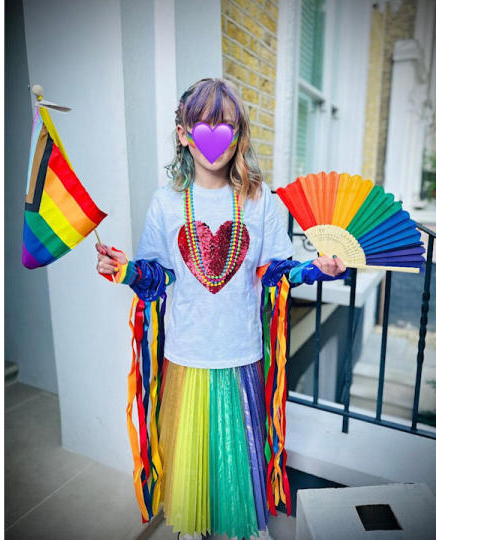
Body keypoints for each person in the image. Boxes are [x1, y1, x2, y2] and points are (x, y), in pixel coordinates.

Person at [96, 78, 348, 540]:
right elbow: (157, 279)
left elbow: (275, 271)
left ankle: (243, 531)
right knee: (194, 459)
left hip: (240, 353)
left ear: (239, 135)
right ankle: (193, 530)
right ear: (183, 133)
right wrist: (126, 270)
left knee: (237, 455)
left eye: (226, 126)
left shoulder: (260, 201)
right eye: (203, 125)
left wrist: (317, 269)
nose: (215, 137)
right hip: (188, 354)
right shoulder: (166, 203)